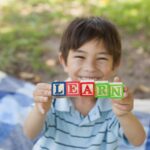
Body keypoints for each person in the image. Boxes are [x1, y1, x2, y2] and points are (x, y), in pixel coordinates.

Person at [23, 16, 146, 150]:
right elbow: (29, 134)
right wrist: (40, 111)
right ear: (64, 61)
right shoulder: (51, 99)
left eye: (102, 58)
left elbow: (138, 141)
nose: (90, 68)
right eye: (80, 57)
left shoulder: (114, 104)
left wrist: (124, 114)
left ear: (115, 65)